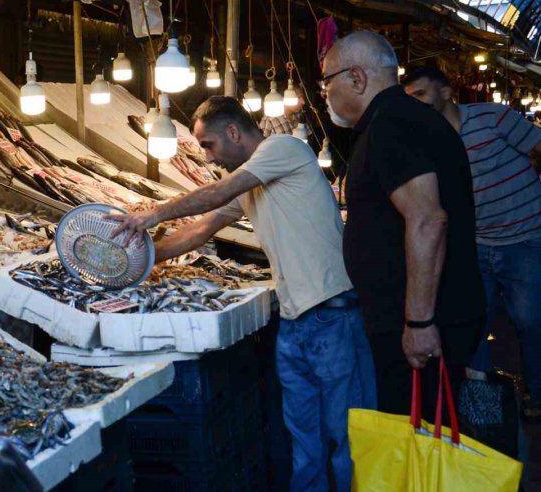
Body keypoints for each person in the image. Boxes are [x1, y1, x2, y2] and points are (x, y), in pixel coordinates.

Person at [109, 96, 375, 492]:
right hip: (294, 322)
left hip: (332, 315)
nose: (208, 158)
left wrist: (154, 214)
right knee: (304, 439)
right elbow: (203, 227)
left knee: (348, 434)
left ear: (234, 132)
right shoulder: (251, 180)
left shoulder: (282, 150)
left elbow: (217, 193)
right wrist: (143, 258)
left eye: (209, 145)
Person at [322, 31, 485, 418]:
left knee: (424, 441)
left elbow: (428, 219)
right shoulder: (406, 119)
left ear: (357, 78)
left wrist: (419, 321)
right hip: (425, 316)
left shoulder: (391, 125)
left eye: (327, 81)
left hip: (425, 324)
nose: (324, 93)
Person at [403, 66, 541, 418]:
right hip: (476, 246)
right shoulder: (427, 141)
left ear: (446, 92)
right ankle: (482, 407)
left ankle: (536, 394)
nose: (415, 103)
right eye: (410, 98)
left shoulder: (493, 118)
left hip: (524, 239)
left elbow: (538, 148)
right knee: (474, 323)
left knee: (529, 321)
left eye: (420, 93)